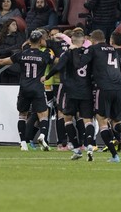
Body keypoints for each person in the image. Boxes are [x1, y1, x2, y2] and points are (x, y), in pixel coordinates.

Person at [0, 30, 57, 151]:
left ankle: (23, 142)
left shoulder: (21, 54)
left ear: (29, 41)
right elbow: (58, 62)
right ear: (41, 41)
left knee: (22, 115)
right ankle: (42, 136)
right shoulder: (44, 55)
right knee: (43, 114)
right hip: (37, 87)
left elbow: (1, 61)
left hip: (24, 87)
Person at [72, 29, 121, 163]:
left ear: (92, 40)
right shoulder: (113, 50)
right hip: (120, 88)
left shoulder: (93, 49)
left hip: (104, 88)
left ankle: (115, 156)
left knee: (102, 121)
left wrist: (75, 50)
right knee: (115, 121)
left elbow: (79, 64)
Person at [42, 31, 95, 161]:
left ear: (71, 40)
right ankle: (89, 146)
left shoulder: (68, 53)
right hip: (86, 90)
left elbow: (58, 67)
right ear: (83, 41)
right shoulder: (90, 53)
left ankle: (76, 149)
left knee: (67, 119)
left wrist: (46, 77)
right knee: (88, 120)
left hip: (71, 91)